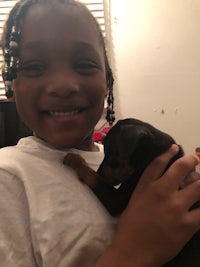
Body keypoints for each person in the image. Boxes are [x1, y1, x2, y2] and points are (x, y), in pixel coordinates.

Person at [0, 0, 200, 266]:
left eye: (84, 64)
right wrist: (133, 253)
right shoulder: (8, 175)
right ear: (8, 80)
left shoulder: (128, 156)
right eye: (35, 66)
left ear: (107, 78)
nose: (63, 86)